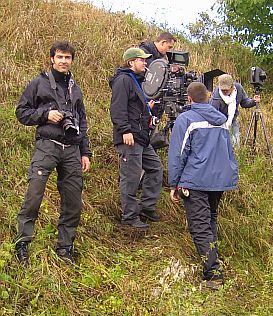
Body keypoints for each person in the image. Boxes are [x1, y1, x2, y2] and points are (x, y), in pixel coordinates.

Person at [15, 41, 92, 265]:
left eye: (67, 58)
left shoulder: (75, 88)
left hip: (72, 149)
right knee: (34, 194)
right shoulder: (39, 83)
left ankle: (65, 248)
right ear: (52, 59)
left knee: (73, 201)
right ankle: (23, 244)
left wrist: (85, 152)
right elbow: (21, 112)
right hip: (47, 145)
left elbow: (82, 121)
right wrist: (46, 114)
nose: (63, 61)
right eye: (59, 57)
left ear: (72, 61)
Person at [168, 82, 238, 289]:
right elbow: (229, 151)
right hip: (219, 180)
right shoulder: (222, 120)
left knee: (200, 226)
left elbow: (178, 154)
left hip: (196, 180)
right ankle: (214, 261)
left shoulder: (185, 119)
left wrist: (174, 183)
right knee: (210, 220)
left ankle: (214, 274)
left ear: (189, 99)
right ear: (208, 97)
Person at [109, 47, 163, 228]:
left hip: (141, 138)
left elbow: (135, 108)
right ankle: (130, 217)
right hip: (129, 138)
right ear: (131, 62)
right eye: (142, 60)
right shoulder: (123, 80)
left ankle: (146, 208)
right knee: (130, 178)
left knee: (155, 168)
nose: (145, 63)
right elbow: (117, 108)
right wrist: (125, 130)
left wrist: (148, 107)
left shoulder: (137, 82)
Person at [210, 73, 260, 147]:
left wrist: (253, 101)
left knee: (236, 146)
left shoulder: (238, 89)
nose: (224, 92)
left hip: (233, 121)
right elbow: (213, 114)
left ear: (232, 87)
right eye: (222, 90)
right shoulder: (216, 96)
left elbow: (244, 103)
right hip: (219, 124)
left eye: (226, 90)